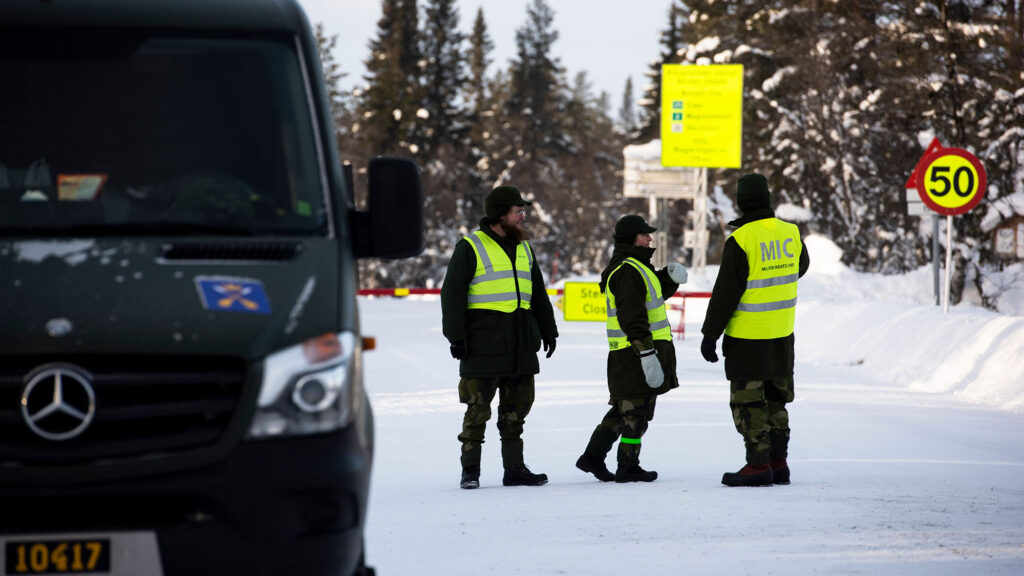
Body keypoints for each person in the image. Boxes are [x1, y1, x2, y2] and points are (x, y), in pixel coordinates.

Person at [441, 184, 559, 490]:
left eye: (523, 211)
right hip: (483, 346)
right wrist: (457, 337)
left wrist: (548, 330)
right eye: (517, 211)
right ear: (499, 215)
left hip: (520, 344)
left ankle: (514, 469)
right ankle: (471, 471)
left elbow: (538, 294)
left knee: (515, 414)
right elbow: (452, 294)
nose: (522, 216)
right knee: (476, 411)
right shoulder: (471, 246)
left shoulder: (525, 248)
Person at [700, 173, 810, 487]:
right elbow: (800, 266)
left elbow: (726, 292)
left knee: (748, 402)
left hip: (748, 338)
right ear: (767, 198)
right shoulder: (790, 232)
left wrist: (711, 334)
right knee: (777, 400)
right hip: (782, 334)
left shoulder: (742, 239)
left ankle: (758, 464)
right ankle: (778, 462)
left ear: (741, 203)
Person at [575, 215, 688, 483]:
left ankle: (592, 457)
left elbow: (651, 297)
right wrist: (647, 353)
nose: (650, 239)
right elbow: (632, 317)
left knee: (622, 411)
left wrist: (668, 278)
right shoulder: (628, 270)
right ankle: (628, 465)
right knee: (636, 413)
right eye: (644, 234)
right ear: (631, 239)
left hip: (630, 353)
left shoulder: (638, 268)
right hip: (634, 353)